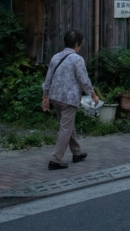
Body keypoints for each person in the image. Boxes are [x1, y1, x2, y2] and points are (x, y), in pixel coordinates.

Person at [42, 29, 98, 170]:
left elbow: (48, 77)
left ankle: (77, 153)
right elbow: (83, 80)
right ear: (77, 44)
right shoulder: (77, 59)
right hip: (69, 99)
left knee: (68, 126)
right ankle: (55, 160)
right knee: (65, 128)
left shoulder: (55, 57)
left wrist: (45, 95)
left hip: (56, 97)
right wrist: (93, 94)